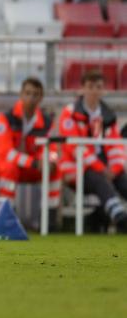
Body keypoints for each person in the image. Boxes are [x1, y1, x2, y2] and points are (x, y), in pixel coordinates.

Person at [0, 78, 61, 224]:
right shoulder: (6, 118)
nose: (31, 98)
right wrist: (34, 163)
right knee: (9, 168)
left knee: (54, 169)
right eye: (28, 93)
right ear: (21, 95)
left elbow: (52, 148)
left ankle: (49, 219)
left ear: (41, 98)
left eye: (35, 94)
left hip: (26, 166)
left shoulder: (47, 122)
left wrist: (50, 161)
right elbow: (5, 153)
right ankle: (7, 218)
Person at [57, 70, 127, 233]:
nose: (94, 91)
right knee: (97, 178)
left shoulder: (108, 115)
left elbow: (115, 146)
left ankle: (117, 216)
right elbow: (74, 148)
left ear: (104, 90)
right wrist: (102, 169)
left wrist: (115, 169)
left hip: (103, 168)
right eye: (90, 86)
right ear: (81, 89)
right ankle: (119, 218)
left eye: (99, 87)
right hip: (76, 169)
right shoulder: (70, 113)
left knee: (123, 180)